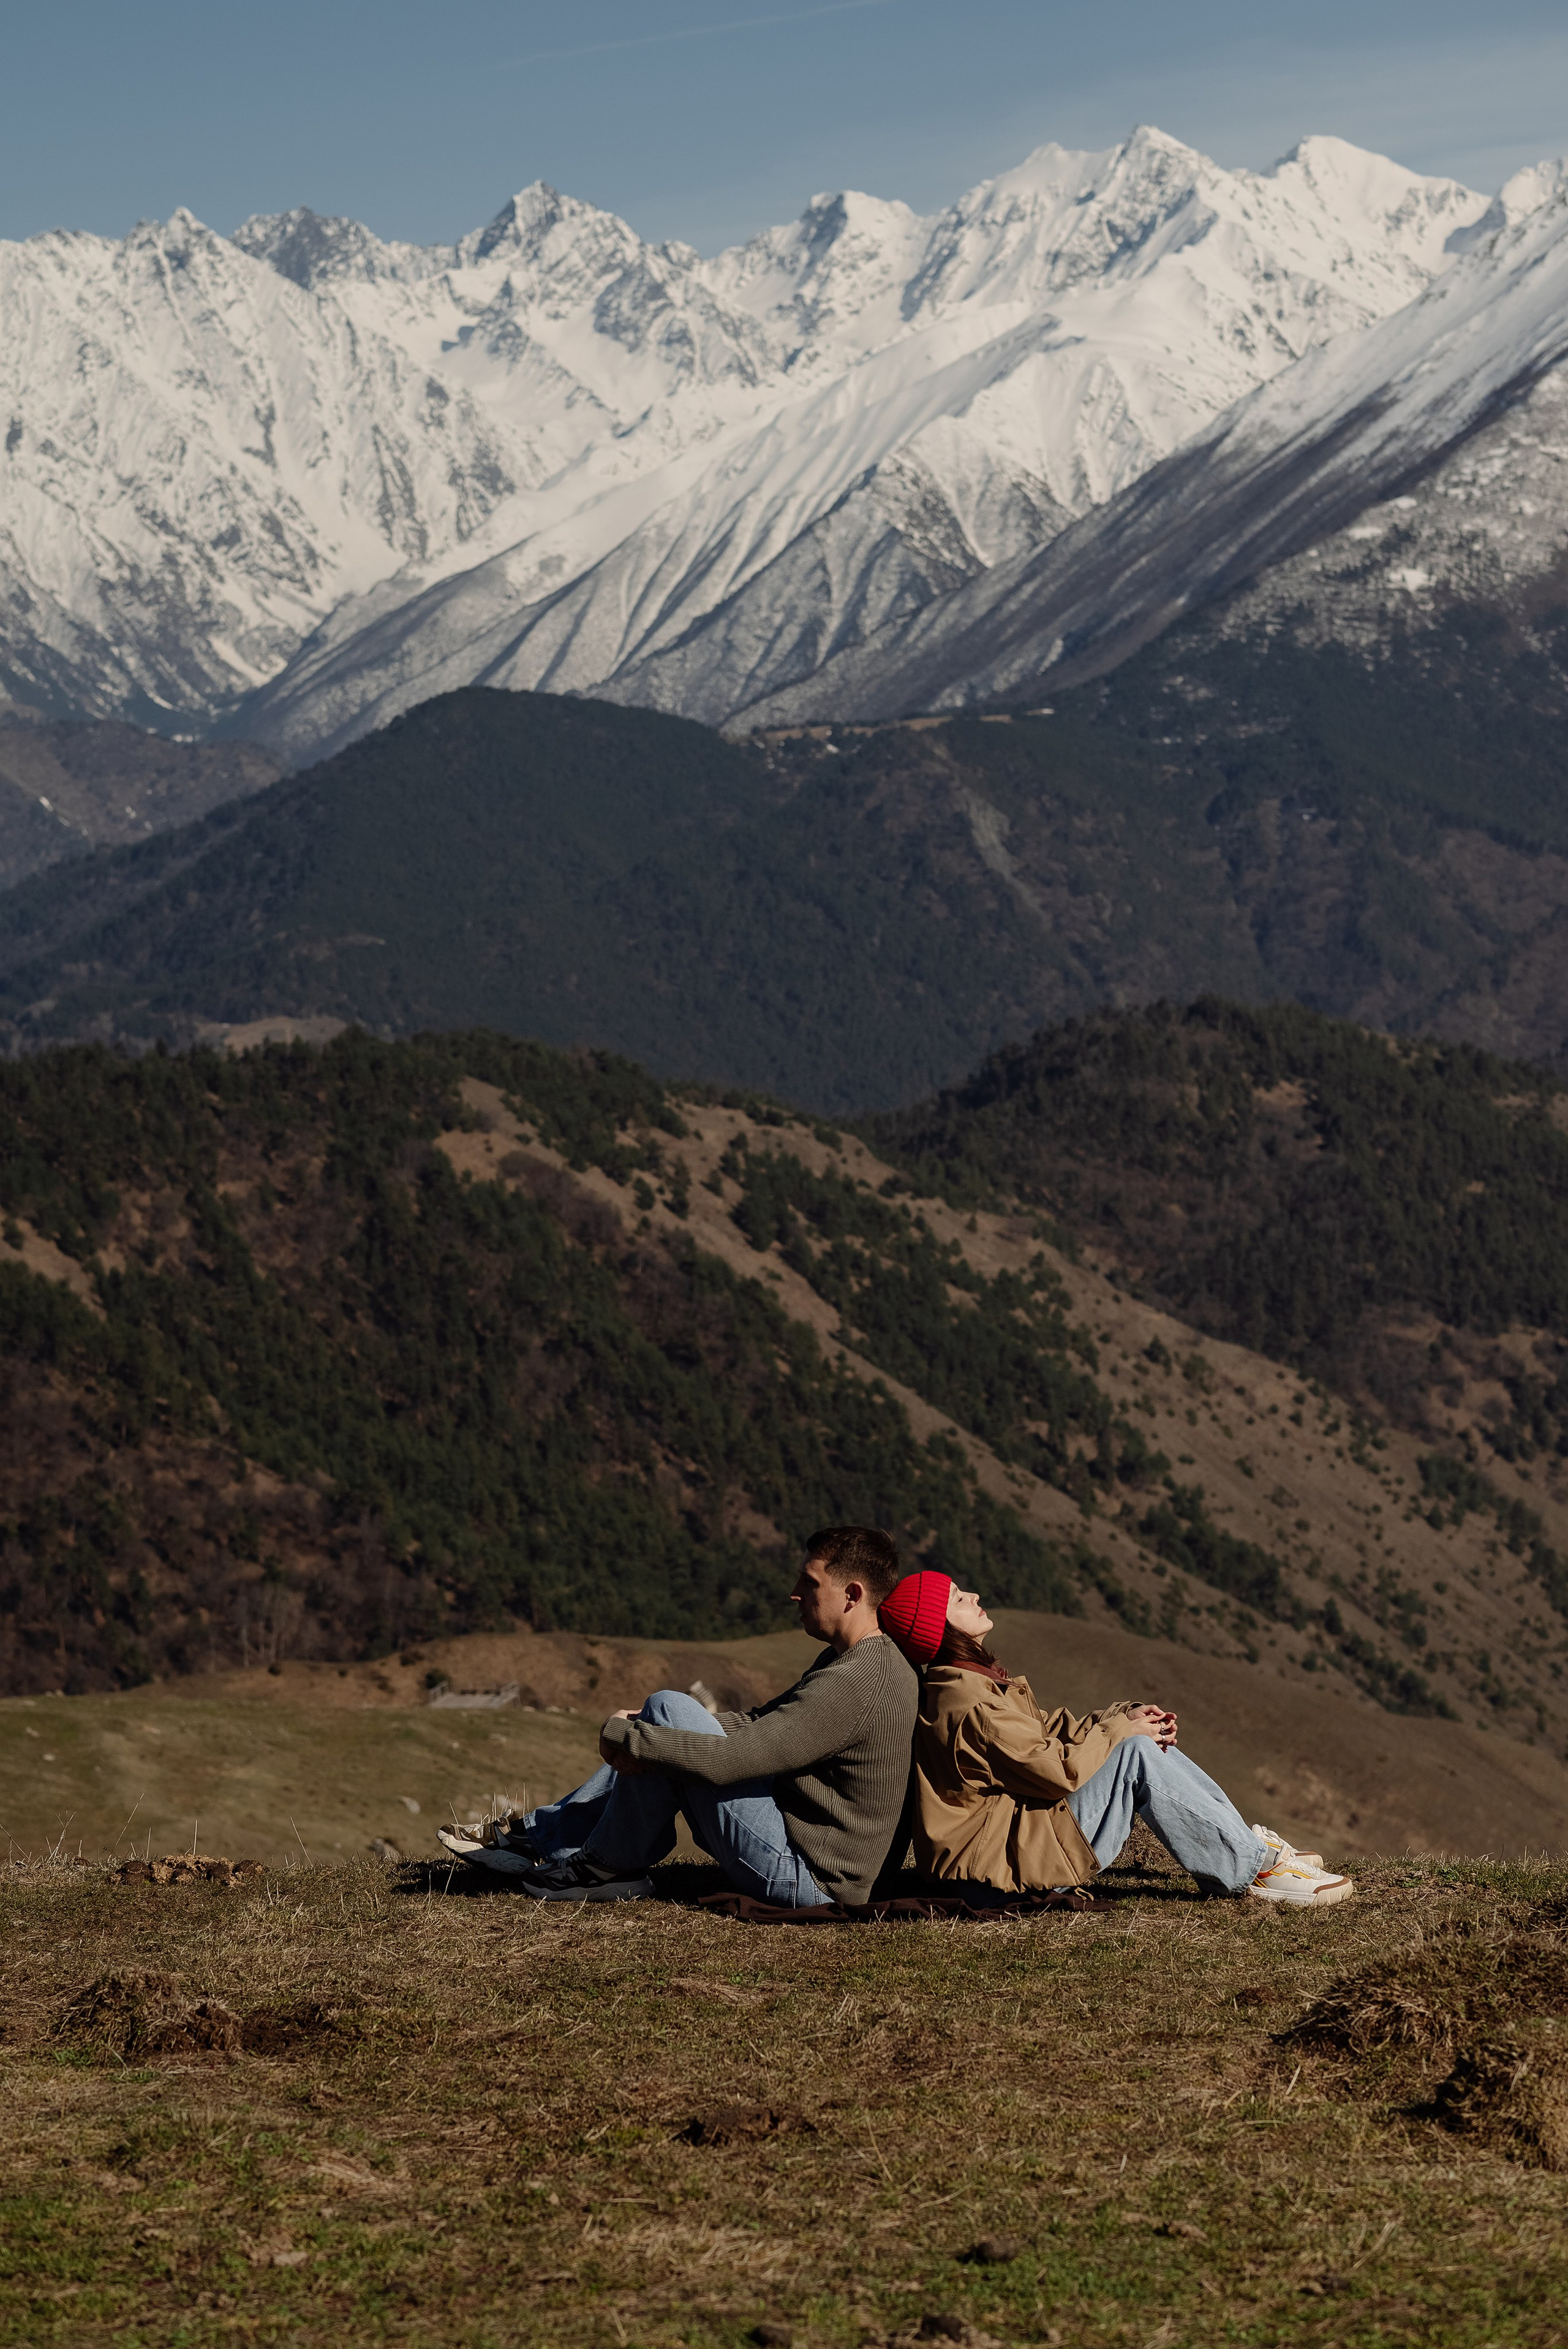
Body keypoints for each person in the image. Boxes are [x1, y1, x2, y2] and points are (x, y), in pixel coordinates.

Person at [440, 1527, 918, 1906]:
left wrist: (624, 1736)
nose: (795, 1592)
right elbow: (762, 1723)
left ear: (852, 1594)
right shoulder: (856, 1661)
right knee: (665, 1714)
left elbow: (730, 1760)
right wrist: (644, 1728)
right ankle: (550, 1841)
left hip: (813, 1880)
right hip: (811, 1853)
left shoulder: (858, 1680)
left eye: (810, 1582)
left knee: (667, 1708)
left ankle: (602, 1864)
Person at [876, 1568, 1353, 1907]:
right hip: (996, 1875)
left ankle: (1250, 1851)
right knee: (1136, 1753)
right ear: (937, 1628)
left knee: (1138, 1740)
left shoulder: (968, 1682)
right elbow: (1055, 1771)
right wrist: (1124, 1731)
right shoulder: (969, 1700)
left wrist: (1123, 1715)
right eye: (958, 1598)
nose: (974, 1596)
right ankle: (1256, 1871)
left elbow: (1044, 1732)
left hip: (1006, 1850)